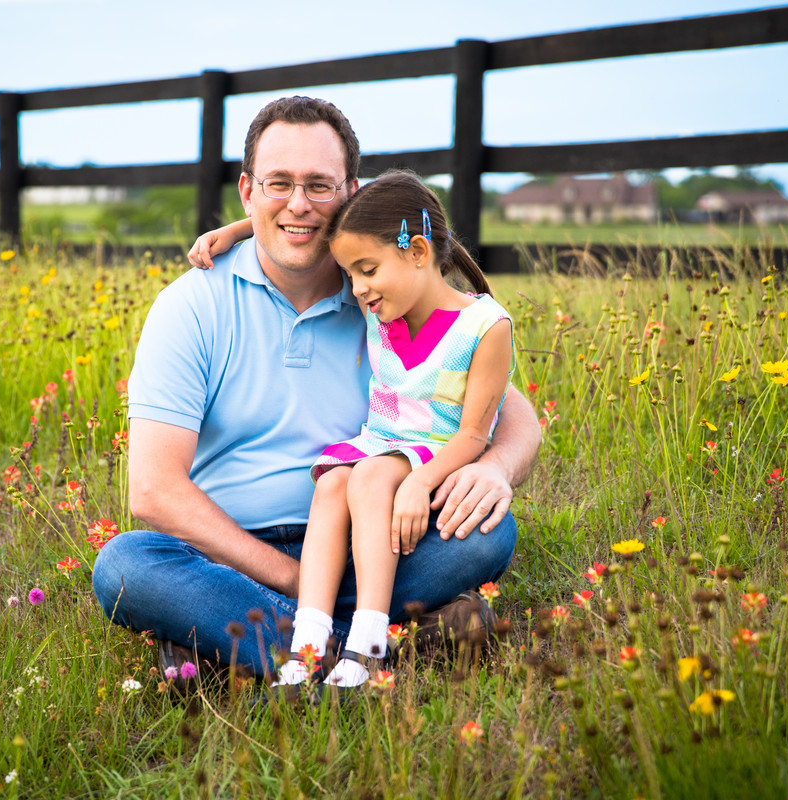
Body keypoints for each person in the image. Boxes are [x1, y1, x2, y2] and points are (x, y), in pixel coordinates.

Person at [91, 96, 540, 678]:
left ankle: (244, 644)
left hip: (370, 545)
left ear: (351, 192)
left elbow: (512, 412)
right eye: (279, 184)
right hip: (231, 557)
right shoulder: (191, 305)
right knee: (125, 566)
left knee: (485, 535)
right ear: (248, 191)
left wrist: (495, 469)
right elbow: (152, 490)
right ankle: (370, 642)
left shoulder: (382, 291)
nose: (298, 204)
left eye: (319, 186)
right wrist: (299, 580)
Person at [195, 170, 515, 689]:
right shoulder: (383, 303)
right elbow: (303, 232)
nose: (358, 287)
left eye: (366, 271)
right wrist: (235, 232)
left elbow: (475, 437)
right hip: (379, 445)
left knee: (457, 522)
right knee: (333, 482)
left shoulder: (486, 328)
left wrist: (417, 482)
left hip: (435, 458)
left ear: (417, 252)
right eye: (352, 273)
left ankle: (366, 646)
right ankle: (308, 645)